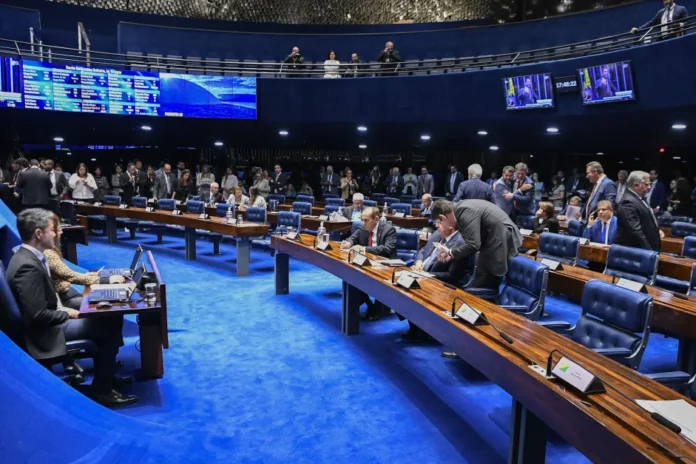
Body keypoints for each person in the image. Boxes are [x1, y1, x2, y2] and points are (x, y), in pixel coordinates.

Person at [6, 208, 137, 407]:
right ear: (38, 234)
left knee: (109, 316)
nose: (58, 232)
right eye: (53, 229)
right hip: (45, 333)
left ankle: (107, 376)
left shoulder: (30, 256)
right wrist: (74, 313)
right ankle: (103, 390)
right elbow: (38, 315)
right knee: (108, 321)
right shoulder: (27, 266)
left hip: (53, 320)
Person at [433, 199, 522, 290]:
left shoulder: (465, 211)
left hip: (502, 238)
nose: (438, 225)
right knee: (478, 283)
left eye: (439, 222)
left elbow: (473, 245)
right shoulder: (459, 212)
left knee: (482, 286)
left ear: (443, 217)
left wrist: (450, 252)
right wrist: (452, 255)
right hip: (490, 240)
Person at [404, 217, 468, 342]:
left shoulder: (460, 243)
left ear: (451, 226)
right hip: (423, 276)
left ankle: (423, 331)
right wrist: (418, 262)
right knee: (397, 288)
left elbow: (452, 276)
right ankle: (416, 327)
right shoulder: (437, 234)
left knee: (407, 290)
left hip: (440, 285)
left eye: (440, 223)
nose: (436, 225)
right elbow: (422, 251)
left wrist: (426, 275)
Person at [45, 214, 126, 309]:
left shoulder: (49, 250)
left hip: (68, 293)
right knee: (112, 303)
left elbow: (65, 274)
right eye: (58, 230)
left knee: (108, 294)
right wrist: (106, 280)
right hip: (65, 299)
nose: (61, 232)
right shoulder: (48, 253)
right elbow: (70, 276)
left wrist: (88, 276)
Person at [340, 207, 396, 321]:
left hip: (385, 265)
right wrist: (348, 243)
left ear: (376, 219)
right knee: (351, 275)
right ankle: (370, 305)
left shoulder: (389, 230)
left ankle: (379, 308)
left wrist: (364, 249)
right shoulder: (362, 228)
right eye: (362, 219)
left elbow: (387, 249)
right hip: (367, 263)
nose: (363, 223)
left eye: (366, 220)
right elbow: (352, 238)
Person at [615, 170, 663, 251]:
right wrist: (649, 251)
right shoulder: (627, 202)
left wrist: (657, 229)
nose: (649, 187)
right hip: (637, 251)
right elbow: (636, 231)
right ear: (636, 185)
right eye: (646, 184)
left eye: (650, 184)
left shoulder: (640, 198)